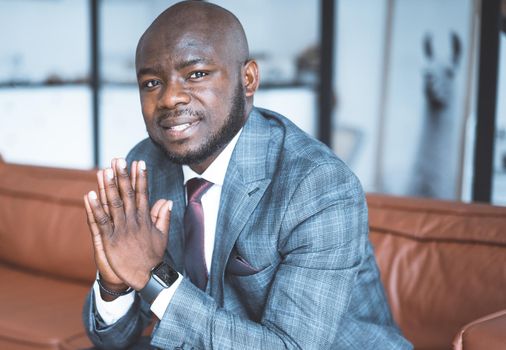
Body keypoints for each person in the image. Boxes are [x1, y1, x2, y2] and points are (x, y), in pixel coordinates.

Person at [82, 1, 412, 349]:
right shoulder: (146, 165)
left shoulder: (318, 185)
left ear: (248, 79)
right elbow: (112, 340)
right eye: (151, 82)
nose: (169, 98)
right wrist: (114, 281)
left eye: (196, 74)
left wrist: (153, 276)